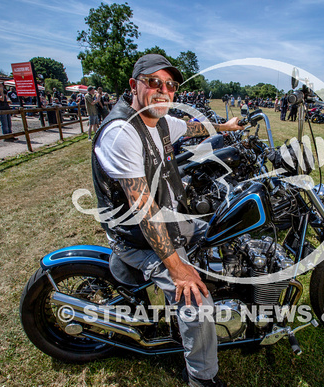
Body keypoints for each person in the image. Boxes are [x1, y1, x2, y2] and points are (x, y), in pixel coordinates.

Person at [92, 53, 243, 387]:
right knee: (195, 299)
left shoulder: (157, 120)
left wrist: (224, 128)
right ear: (134, 85)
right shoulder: (122, 132)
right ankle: (202, 378)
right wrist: (178, 271)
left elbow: (189, 127)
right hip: (134, 237)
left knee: (226, 229)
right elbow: (143, 210)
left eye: (170, 85)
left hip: (170, 220)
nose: (163, 90)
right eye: (154, 82)